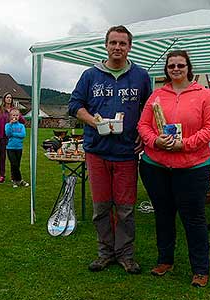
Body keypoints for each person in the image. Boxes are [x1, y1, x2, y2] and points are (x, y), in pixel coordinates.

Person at [68, 25, 152, 274]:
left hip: (126, 153)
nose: (117, 47)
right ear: (106, 45)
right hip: (97, 150)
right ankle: (105, 253)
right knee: (101, 207)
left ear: (129, 47)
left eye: (122, 44)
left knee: (125, 208)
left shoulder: (141, 76)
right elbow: (75, 105)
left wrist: (144, 135)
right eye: (113, 43)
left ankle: (126, 256)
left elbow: (149, 110)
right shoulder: (90, 75)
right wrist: (93, 121)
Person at [137, 50, 210, 287]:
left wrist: (186, 144)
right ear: (166, 69)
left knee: (193, 218)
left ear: (188, 68)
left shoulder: (204, 95)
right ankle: (165, 260)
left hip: (193, 166)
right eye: (171, 65)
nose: (175, 69)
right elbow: (143, 125)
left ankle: (201, 269)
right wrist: (154, 141)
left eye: (180, 65)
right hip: (156, 165)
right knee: (163, 214)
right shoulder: (156, 95)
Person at [0, 92, 26, 183]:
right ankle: (2, 175)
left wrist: (17, 116)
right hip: (2, 136)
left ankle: (14, 175)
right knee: (2, 156)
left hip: (12, 137)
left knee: (14, 158)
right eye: (7, 97)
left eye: (10, 97)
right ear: (4, 99)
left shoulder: (14, 110)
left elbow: (23, 121)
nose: (9, 99)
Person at [5, 108, 29, 188]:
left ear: (19, 116)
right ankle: (20, 180)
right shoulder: (8, 125)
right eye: (13, 115)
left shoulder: (21, 126)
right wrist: (11, 125)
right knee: (14, 163)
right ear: (10, 116)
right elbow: (8, 134)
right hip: (10, 148)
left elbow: (23, 135)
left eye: (17, 115)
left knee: (17, 165)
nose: (15, 117)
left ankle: (15, 180)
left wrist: (14, 134)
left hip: (19, 148)